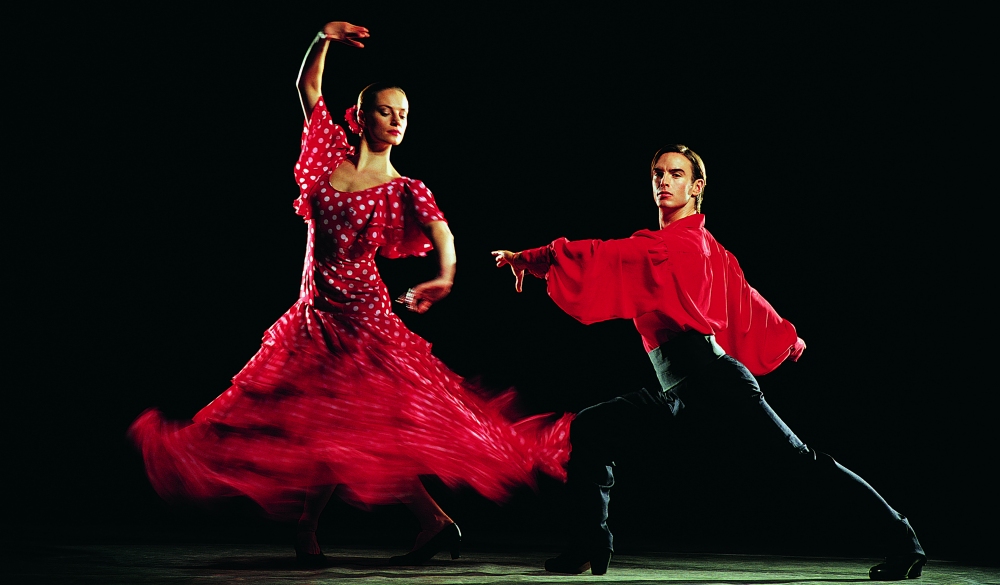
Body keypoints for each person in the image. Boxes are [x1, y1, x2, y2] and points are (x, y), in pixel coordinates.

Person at [128, 20, 573, 567]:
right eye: (387, 111)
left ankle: (360, 526)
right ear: (360, 117)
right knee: (332, 425)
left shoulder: (406, 188)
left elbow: (442, 234)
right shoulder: (325, 159)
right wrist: (321, 40)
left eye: (404, 114)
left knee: (348, 425)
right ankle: (393, 524)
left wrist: (445, 275)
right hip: (315, 315)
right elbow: (307, 91)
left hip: (363, 320)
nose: (397, 121)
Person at [491, 144, 926, 580]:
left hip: (714, 383)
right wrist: (789, 337)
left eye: (676, 174)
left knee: (801, 464)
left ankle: (904, 540)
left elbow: (602, 255)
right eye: (658, 173)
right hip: (684, 391)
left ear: (697, 188)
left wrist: (533, 257)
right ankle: (589, 544)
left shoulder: (672, 246)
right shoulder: (702, 245)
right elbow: (745, 295)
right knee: (592, 429)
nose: (663, 181)